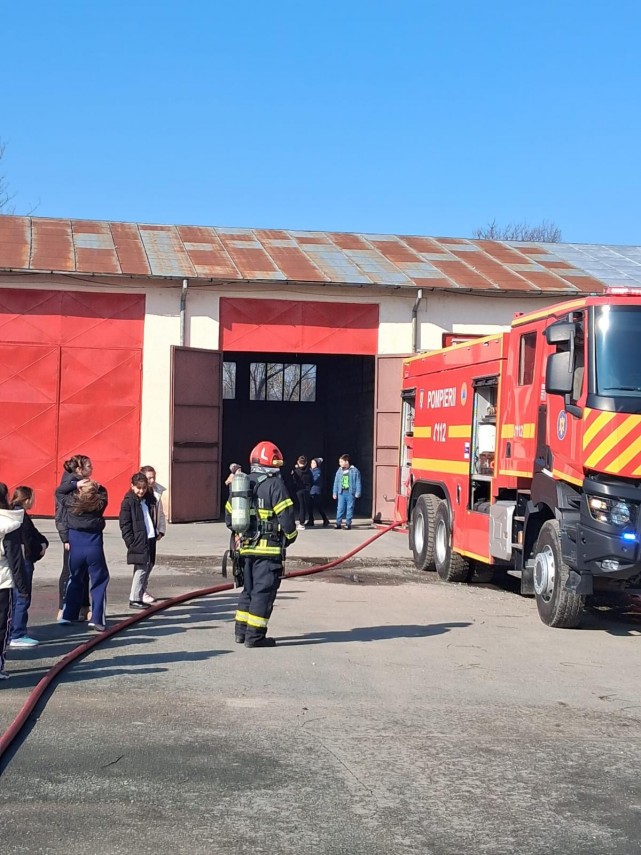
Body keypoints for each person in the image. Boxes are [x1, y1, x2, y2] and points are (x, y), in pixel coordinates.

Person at [225, 440, 297, 648]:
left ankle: (241, 633)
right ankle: (255, 637)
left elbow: (230, 519)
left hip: (245, 549)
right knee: (262, 593)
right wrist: (290, 537)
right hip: (269, 551)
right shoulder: (275, 485)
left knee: (248, 590)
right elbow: (287, 517)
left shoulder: (243, 483)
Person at [58, 480, 110, 632]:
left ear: (80, 492)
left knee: (75, 578)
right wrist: (96, 485)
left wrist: (75, 484)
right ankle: (97, 618)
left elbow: (59, 492)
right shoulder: (99, 504)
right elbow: (104, 491)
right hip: (94, 547)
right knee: (99, 581)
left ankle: (68, 614)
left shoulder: (71, 503)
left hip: (76, 548)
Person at [9, 486, 48, 648]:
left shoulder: (15, 514)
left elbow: (36, 534)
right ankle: (17, 633)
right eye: (33, 498)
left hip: (16, 561)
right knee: (22, 596)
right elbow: (29, 540)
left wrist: (43, 541)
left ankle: (13, 630)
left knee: (14, 597)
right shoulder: (21, 517)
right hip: (23, 562)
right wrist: (40, 548)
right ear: (26, 500)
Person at [55, 455, 93, 621]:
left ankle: (84, 607)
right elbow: (61, 516)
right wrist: (65, 538)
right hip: (71, 534)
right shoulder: (68, 486)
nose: (92, 468)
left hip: (83, 534)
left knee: (84, 571)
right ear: (78, 469)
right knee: (69, 571)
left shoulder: (83, 483)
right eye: (89, 466)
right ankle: (62, 607)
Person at [0, 482, 28, 679]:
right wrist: (23, 587)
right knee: (2, 625)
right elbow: (15, 559)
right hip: (3, 582)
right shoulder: (9, 525)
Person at [119, 472, 158, 610]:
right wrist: (131, 542)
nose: (141, 491)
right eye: (138, 488)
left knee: (148, 565)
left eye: (143, 488)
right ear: (132, 486)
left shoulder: (147, 500)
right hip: (138, 540)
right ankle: (134, 598)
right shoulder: (128, 502)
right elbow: (125, 524)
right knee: (141, 568)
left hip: (149, 538)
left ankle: (140, 594)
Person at [139, 465, 166, 604]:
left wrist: (161, 530)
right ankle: (140, 592)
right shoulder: (138, 493)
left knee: (151, 563)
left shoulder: (157, 492)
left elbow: (160, 513)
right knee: (143, 564)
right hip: (141, 535)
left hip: (152, 534)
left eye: (153, 477)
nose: (152, 480)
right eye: (149, 478)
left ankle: (142, 589)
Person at [332, 454, 362, 530]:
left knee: (350, 508)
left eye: (341, 462)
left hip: (350, 492)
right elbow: (336, 482)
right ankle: (338, 523)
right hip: (341, 492)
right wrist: (334, 492)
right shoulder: (339, 471)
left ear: (346, 462)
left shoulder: (355, 471)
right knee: (340, 508)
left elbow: (358, 482)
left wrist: (358, 492)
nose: (340, 463)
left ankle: (348, 523)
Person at [291, 455, 313, 531]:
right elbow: (312, 480)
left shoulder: (296, 472)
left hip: (299, 490)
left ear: (298, 462)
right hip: (307, 490)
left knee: (300, 506)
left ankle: (301, 523)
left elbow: (293, 482)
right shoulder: (309, 471)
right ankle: (303, 522)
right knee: (304, 506)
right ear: (306, 463)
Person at [308, 458, 330, 527]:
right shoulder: (309, 470)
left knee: (318, 506)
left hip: (316, 491)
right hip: (310, 491)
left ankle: (325, 519)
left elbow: (314, 480)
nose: (312, 465)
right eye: (311, 463)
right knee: (309, 506)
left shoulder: (318, 472)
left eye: (314, 463)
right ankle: (311, 520)